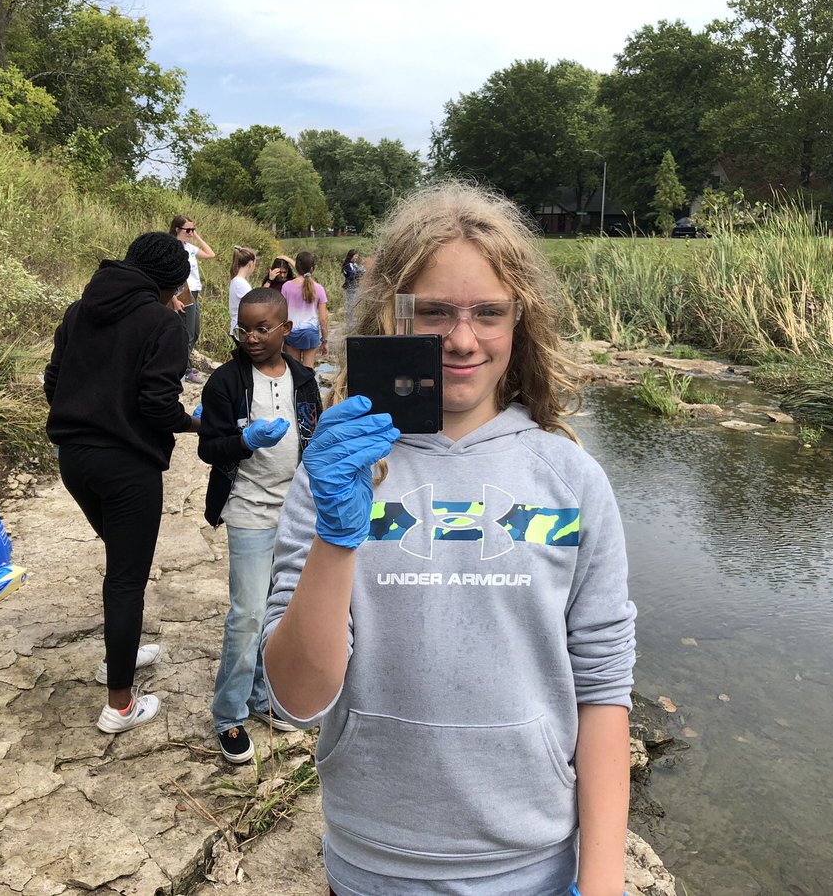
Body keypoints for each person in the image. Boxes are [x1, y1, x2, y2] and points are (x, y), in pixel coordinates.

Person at [263, 183, 637, 895]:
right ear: (391, 318)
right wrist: (338, 537)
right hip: (374, 865)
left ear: (520, 321)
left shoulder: (571, 478)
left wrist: (604, 883)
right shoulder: (340, 471)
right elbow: (295, 698)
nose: (463, 339)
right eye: (435, 312)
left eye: (489, 313)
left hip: (535, 867)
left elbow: (603, 689)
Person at [44, 232, 200, 734]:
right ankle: (120, 704)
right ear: (170, 284)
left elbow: (53, 380)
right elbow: (158, 406)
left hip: (74, 461)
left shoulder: (78, 311)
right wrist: (195, 422)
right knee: (126, 580)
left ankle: (122, 655)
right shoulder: (162, 323)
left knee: (121, 563)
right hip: (128, 468)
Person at [198, 287, 323, 763]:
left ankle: (259, 697)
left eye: (261, 328)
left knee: (278, 613)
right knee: (246, 616)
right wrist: (244, 439)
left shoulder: (305, 381)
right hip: (249, 508)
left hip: (294, 512)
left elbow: (314, 437)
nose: (250, 337)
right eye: (243, 328)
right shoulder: (226, 383)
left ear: (285, 330)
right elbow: (209, 447)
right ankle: (228, 715)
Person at [169, 216, 216, 384]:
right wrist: (174, 298)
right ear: (176, 229)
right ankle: (184, 370)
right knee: (187, 333)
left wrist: (196, 236)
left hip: (194, 292)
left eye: (192, 229)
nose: (190, 233)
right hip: (183, 293)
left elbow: (210, 254)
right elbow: (167, 275)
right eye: (187, 230)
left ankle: (183, 367)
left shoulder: (189, 247)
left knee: (195, 332)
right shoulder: (172, 248)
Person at [280, 251, 329, 368]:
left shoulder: (286, 287)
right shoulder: (319, 289)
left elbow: (281, 313)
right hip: (311, 333)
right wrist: (325, 341)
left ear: (296, 267)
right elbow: (323, 319)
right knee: (308, 369)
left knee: (294, 368)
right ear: (312, 268)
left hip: (291, 331)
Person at [228, 246, 257, 331]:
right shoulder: (241, 283)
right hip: (241, 329)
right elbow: (252, 307)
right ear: (251, 264)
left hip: (238, 327)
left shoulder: (236, 280)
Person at [340, 249, 365, 321]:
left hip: (356, 286)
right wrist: (362, 270)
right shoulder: (348, 265)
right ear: (351, 256)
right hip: (351, 287)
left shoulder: (354, 264)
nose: (357, 257)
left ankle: (356, 321)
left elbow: (359, 271)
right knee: (350, 305)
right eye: (355, 256)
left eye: (357, 256)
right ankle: (350, 323)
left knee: (358, 304)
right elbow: (353, 274)